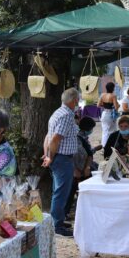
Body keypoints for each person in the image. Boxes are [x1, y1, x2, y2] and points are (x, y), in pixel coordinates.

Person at [42, 88, 80, 237]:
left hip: (58, 157)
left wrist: (47, 155)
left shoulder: (59, 112)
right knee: (61, 192)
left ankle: (57, 219)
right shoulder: (65, 115)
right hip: (62, 158)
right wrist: (49, 156)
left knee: (58, 191)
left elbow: (48, 136)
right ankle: (57, 225)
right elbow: (55, 139)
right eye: (77, 99)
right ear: (74, 100)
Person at [65, 116, 99, 219]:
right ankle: (67, 212)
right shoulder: (77, 138)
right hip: (77, 170)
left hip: (82, 168)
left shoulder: (83, 137)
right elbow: (79, 155)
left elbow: (87, 153)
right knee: (72, 191)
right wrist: (79, 169)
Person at [97, 82, 119, 147]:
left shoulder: (102, 95)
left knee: (105, 131)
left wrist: (105, 105)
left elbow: (98, 105)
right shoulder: (113, 96)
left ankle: (104, 146)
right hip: (110, 114)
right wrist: (117, 105)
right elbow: (116, 107)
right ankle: (110, 146)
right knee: (112, 131)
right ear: (113, 88)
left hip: (104, 114)